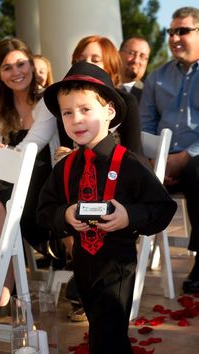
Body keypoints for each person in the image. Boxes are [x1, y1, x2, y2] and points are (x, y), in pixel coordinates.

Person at [37, 61, 177, 354]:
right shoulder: (65, 168)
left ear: (109, 111)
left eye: (86, 109)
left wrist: (129, 216)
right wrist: (64, 214)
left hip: (117, 265)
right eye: (67, 112)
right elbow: (44, 209)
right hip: (83, 266)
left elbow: (163, 208)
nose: (76, 119)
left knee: (108, 331)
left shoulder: (130, 163)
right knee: (103, 333)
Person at [0, 37, 59, 316]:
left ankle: (3, 287)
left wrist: (0, 157)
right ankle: (4, 289)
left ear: (31, 64)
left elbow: (33, 145)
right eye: (7, 67)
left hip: (38, 182)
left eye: (21, 63)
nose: (16, 72)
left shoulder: (47, 101)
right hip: (0, 186)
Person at [140, 6, 199, 294]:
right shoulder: (156, 77)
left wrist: (185, 157)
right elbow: (144, 125)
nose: (174, 37)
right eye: (171, 31)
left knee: (197, 170)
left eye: (183, 31)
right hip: (159, 159)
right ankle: (113, 263)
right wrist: (155, 162)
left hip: (195, 157)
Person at [119, 36, 150, 102]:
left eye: (142, 56)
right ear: (119, 54)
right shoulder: (103, 85)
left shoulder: (151, 94)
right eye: (131, 53)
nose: (136, 60)